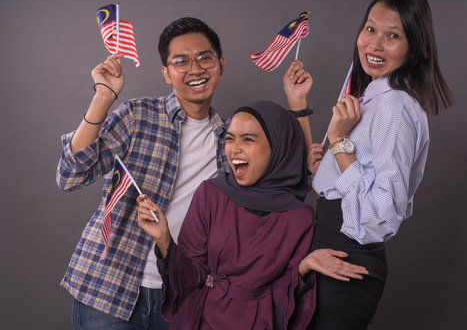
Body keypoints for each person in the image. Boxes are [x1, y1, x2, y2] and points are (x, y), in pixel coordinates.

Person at [283, 0, 456, 329]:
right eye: (370, 28)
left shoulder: (394, 107)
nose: (374, 44)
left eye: (393, 35)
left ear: (414, 48)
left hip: (347, 257)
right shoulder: (370, 100)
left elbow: (380, 216)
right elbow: (327, 181)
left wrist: (340, 141)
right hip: (325, 247)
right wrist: (301, 109)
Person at [56, 17, 230, 329]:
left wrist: (298, 109)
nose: (196, 69)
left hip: (182, 294)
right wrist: (102, 99)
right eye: (181, 61)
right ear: (166, 73)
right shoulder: (139, 115)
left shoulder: (231, 139)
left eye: (205, 58)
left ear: (220, 65)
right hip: (109, 287)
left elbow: (278, 193)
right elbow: (70, 176)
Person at [137, 100, 322, 329]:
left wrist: (304, 269)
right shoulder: (210, 194)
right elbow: (189, 279)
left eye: (248, 139)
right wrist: (164, 239)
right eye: (230, 138)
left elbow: (287, 298)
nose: (234, 149)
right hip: (201, 320)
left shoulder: (299, 217)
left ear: (278, 147)